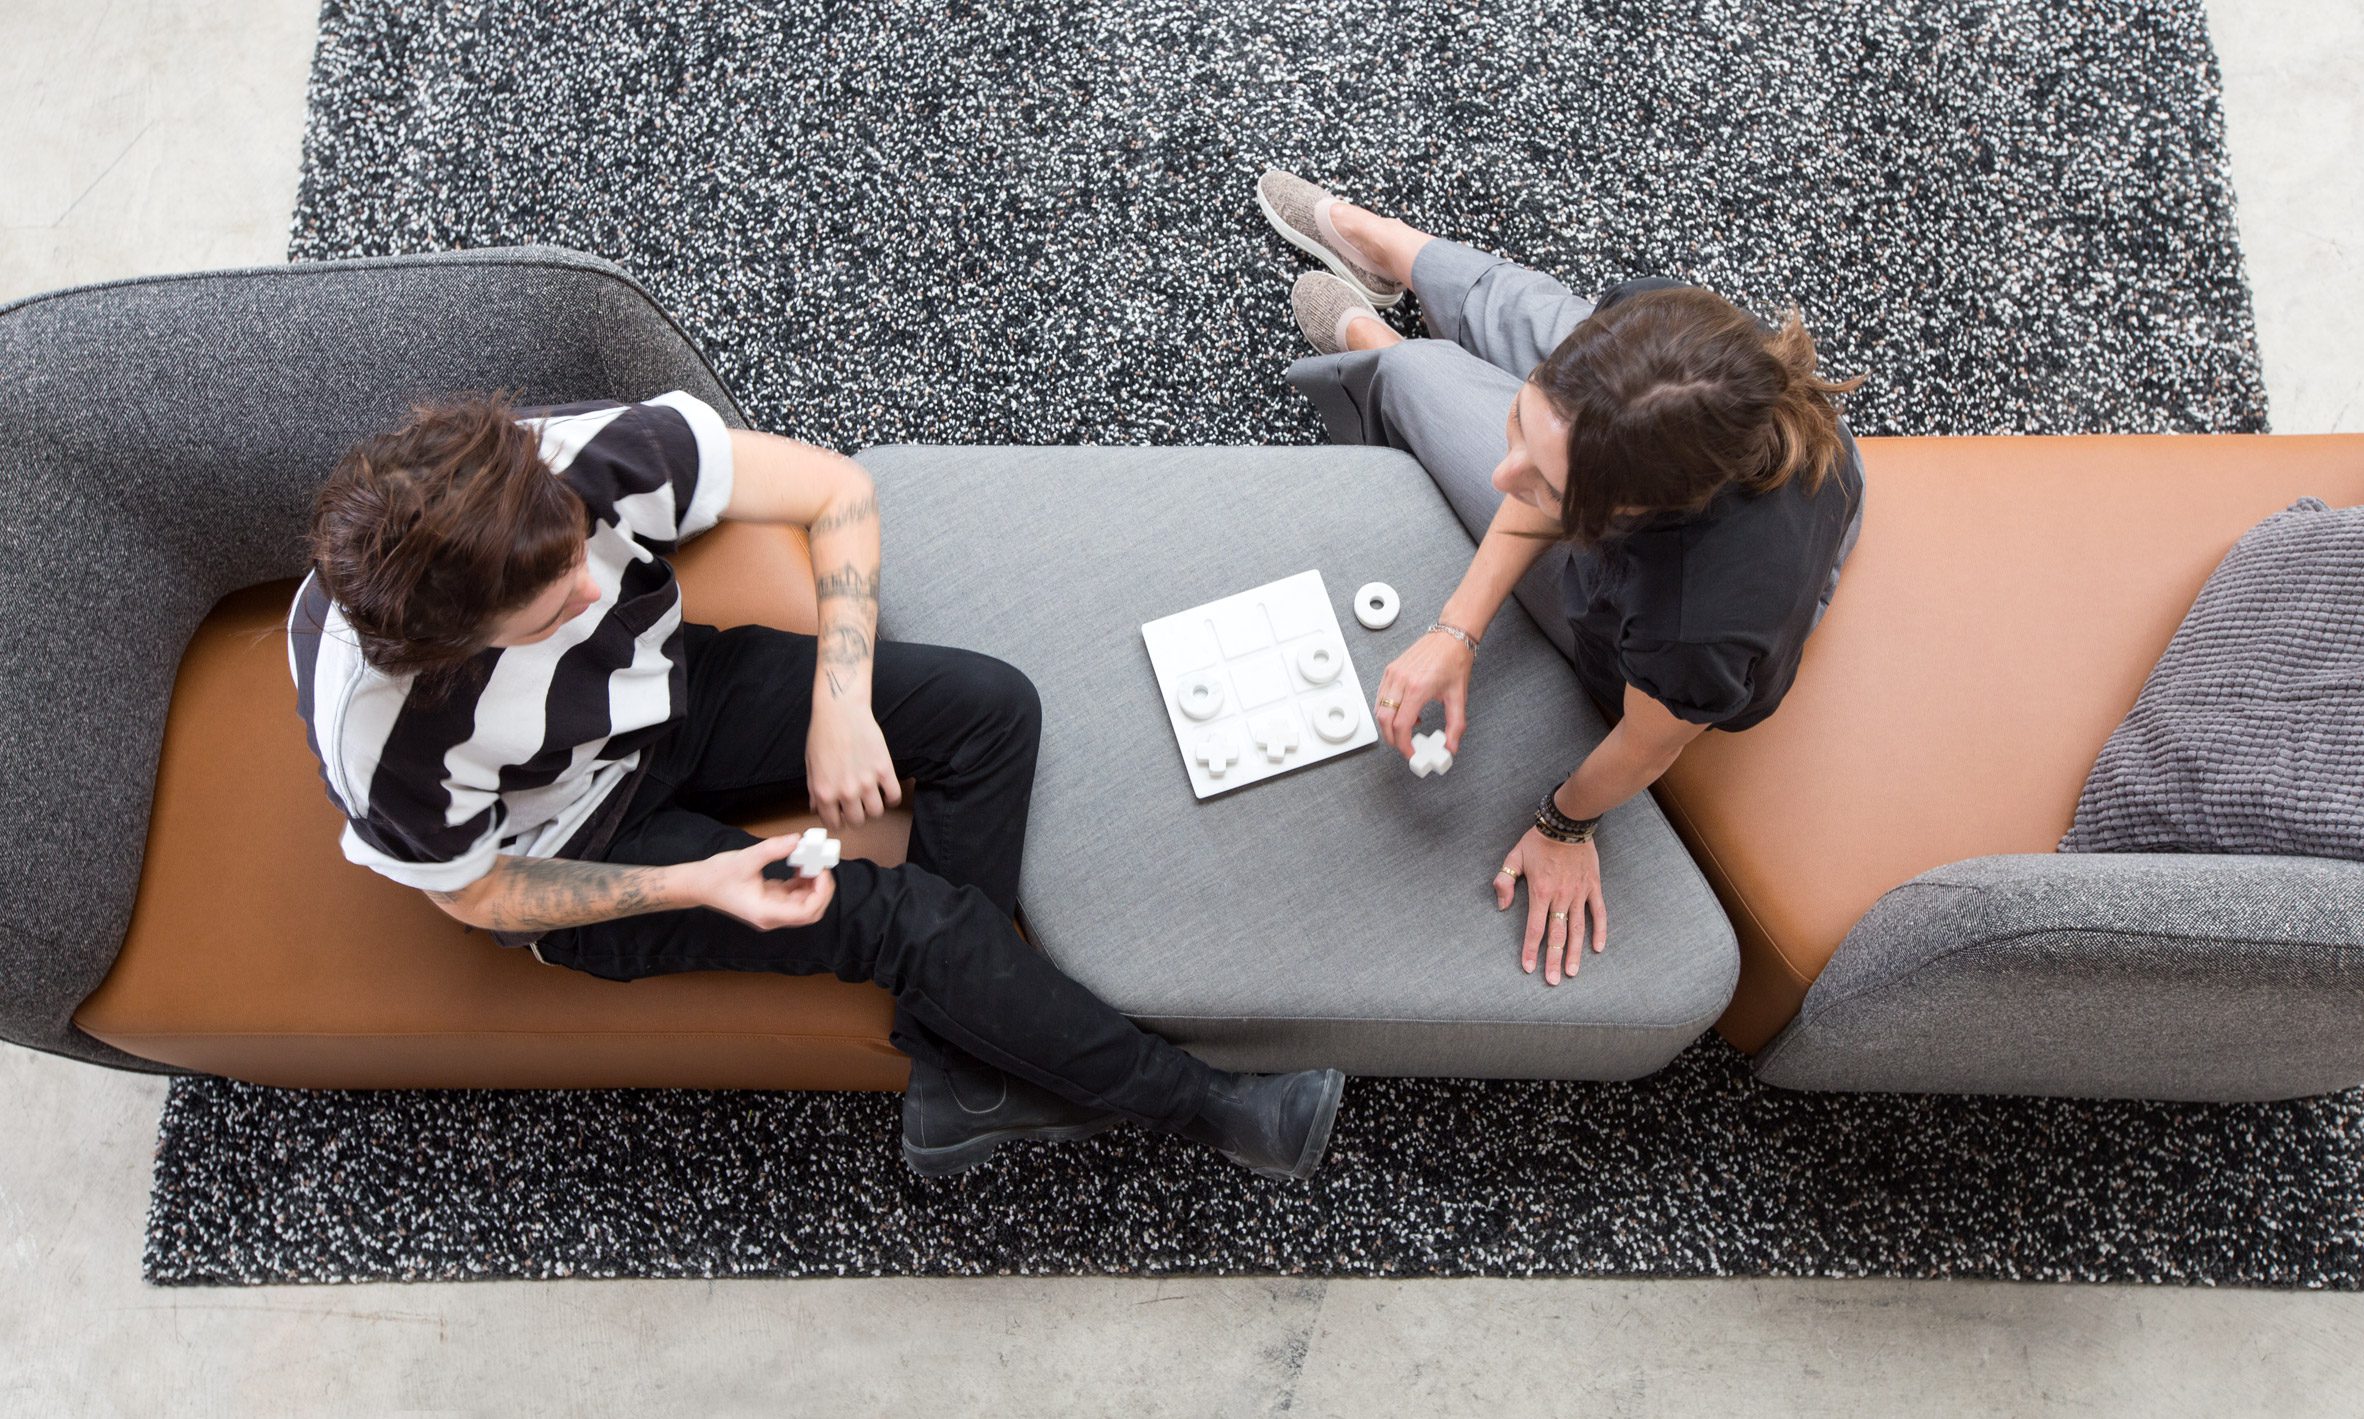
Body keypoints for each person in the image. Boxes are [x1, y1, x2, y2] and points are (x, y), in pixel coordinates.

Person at [289, 390, 1344, 1179]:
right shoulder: (389, 736)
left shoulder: (570, 464)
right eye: (552, 606)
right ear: (453, 651)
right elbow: (477, 898)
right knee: (902, 920)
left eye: (575, 558)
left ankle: (961, 1068)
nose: (587, 585)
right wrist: (699, 884)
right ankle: (1205, 1108)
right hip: (573, 841)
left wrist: (842, 699)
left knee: (991, 707)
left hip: (673, 691)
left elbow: (836, 488)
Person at [1257, 169, 1866, 991]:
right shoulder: (1678, 340)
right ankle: (1382, 245)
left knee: (1426, 385)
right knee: (1534, 322)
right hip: (1647, 447)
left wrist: (1563, 823)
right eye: (1520, 428)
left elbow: (1652, 742)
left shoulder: (1692, 625)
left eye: (1543, 482)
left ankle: (1386, 351)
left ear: (1638, 510)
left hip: (1673, 633)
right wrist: (1455, 631)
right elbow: (1552, 441)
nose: (1509, 479)